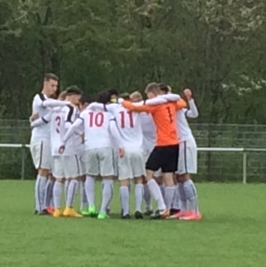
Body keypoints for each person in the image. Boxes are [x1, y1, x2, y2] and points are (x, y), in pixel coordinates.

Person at [120, 83, 186, 219]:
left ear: (153, 93)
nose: (147, 97)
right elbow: (183, 103)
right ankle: (167, 209)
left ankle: (162, 207)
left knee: (148, 173)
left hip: (162, 144)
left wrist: (122, 102)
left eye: (149, 95)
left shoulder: (156, 106)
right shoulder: (172, 104)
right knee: (168, 176)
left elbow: (134, 107)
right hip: (174, 143)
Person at [147, 88, 202, 220]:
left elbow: (193, 114)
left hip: (184, 141)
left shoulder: (174, 106)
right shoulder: (167, 107)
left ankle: (195, 211)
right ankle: (183, 209)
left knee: (185, 176)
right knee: (177, 177)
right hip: (176, 143)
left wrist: (190, 100)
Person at [61, 93, 117, 219]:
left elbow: (74, 126)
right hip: (105, 146)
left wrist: (64, 141)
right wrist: (120, 144)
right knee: (107, 178)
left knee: (90, 176)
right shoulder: (109, 114)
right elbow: (113, 129)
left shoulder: (86, 113)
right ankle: (102, 210)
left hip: (89, 147)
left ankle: (91, 206)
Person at [42, 87, 84, 218]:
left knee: (59, 179)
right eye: (77, 97)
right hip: (67, 147)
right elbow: (68, 125)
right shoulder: (71, 108)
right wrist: (79, 133)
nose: (78, 100)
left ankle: (57, 209)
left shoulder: (55, 109)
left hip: (54, 147)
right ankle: (69, 207)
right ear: (71, 96)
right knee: (74, 177)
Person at [29, 73, 58, 215]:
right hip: (41, 139)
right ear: (45, 84)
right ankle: (39, 206)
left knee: (50, 173)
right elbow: (43, 107)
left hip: (49, 139)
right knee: (43, 171)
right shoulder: (39, 98)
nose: (54, 89)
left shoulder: (51, 102)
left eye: (56, 86)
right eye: (52, 85)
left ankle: (47, 204)